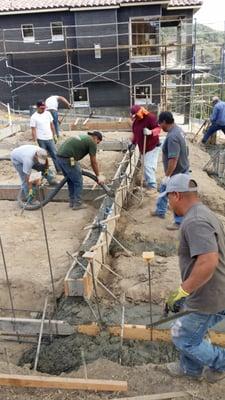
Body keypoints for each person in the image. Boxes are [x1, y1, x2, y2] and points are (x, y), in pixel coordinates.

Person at [163, 173, 225, 383]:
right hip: (214, 288)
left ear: (176, 195)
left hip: (208, 294)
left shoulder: (195, 221)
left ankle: (221, 362)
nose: (168, 202)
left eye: (168, 197)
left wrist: (183, 290)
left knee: (183, 336)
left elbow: (208, 260)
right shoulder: (203, 213)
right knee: (192, 330)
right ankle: (190, 370)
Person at [151, 111, 189, 230]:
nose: (160, 127)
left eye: (160, 124)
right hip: (181, 169)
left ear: (164, 122)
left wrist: (168, 176)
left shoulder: (173, 137)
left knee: (176, 196)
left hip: (176, 172)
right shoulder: (177, 130)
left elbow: (173, 159)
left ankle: (178, 222)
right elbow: (186, 150)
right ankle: (160, 211)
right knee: (163, 190)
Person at [56, 131, 104, 210]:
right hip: (68, 159)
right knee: (78, 180)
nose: (97, 144)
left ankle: (72, 201)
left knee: (70, 180)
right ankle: (77, 203)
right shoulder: (92, 142)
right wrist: (98, 176)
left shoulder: (84, 137)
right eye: (98, 142)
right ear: (96, 138)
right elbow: (93, 162)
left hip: (60, 158)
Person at [130, 105, 161, 194]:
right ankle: (149, 184)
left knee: (148, 165)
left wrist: (151, 132)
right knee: (146, 166)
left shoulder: (150, 118)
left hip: (152, 146)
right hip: (143, 148)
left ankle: (152, 186)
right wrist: (132, 143)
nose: (136, 117)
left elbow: (158, 129)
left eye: (137, 115)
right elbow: (136, 134)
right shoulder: (135, 122)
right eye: (135, 116)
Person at [30, 100, 61, 174]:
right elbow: (33, 130)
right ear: (37, 107)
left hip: (50, 138)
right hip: (41, 139)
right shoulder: (34, 117)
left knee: (55, 154)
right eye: (41, 108)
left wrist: (54, 135)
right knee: (42, 156)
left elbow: (52, 125)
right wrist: (34, 141)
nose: (43, 109)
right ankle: (44, 172)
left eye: (44, 108)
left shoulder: (48, 113)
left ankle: (59, 170)